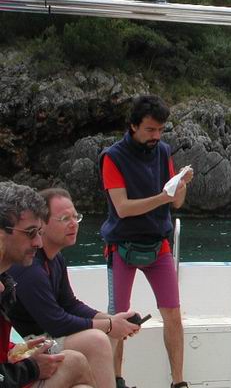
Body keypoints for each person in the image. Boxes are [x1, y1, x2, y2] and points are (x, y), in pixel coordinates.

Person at [99, 96, 192, 388]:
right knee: (118, 319)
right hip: (122, 245)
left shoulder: (163, 151)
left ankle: (178, 382)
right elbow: (123, 208)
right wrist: (164, 198)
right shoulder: (112, 157)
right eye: (150, 129)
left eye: (161, 130)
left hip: (158, 243)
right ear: (133, 126)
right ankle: (115, 381)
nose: (157, 136)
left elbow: (176, 203)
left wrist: (180, 186)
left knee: (173, 314)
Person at [7, 188, 140, 388]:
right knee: (97, 339)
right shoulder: (29, 267)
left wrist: (111, 320)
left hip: (47, 337)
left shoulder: (55, 258)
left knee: (106, 333)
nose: (73, 224)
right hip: (27, 345)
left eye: (75, 217)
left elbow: (70, 304)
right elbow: (56, 323)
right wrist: (110, 325)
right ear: (42, 225)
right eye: (64, 219)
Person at [0, 183, 96, 387]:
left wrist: (14, 350)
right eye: (30, 232)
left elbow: (69, 303)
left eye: (39, 232)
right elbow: (55, 321)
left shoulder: (5, 283)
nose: (38, 242)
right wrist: (31, 368)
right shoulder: (27, 273)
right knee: (75, 361)